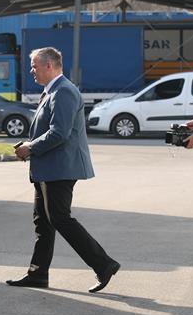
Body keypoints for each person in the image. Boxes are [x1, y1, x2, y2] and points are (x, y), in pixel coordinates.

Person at [8, 47, 120, 293]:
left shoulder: (64, 91)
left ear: (49, 66)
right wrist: (30, 147)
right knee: (43, 221)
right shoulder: (52, 92)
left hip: (60, 168)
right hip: (48, 168)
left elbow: (60, 132)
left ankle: (104, 264)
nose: (32, 70)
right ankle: (38, 274)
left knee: (59, 218)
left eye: (35, 66)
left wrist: (30, 148)